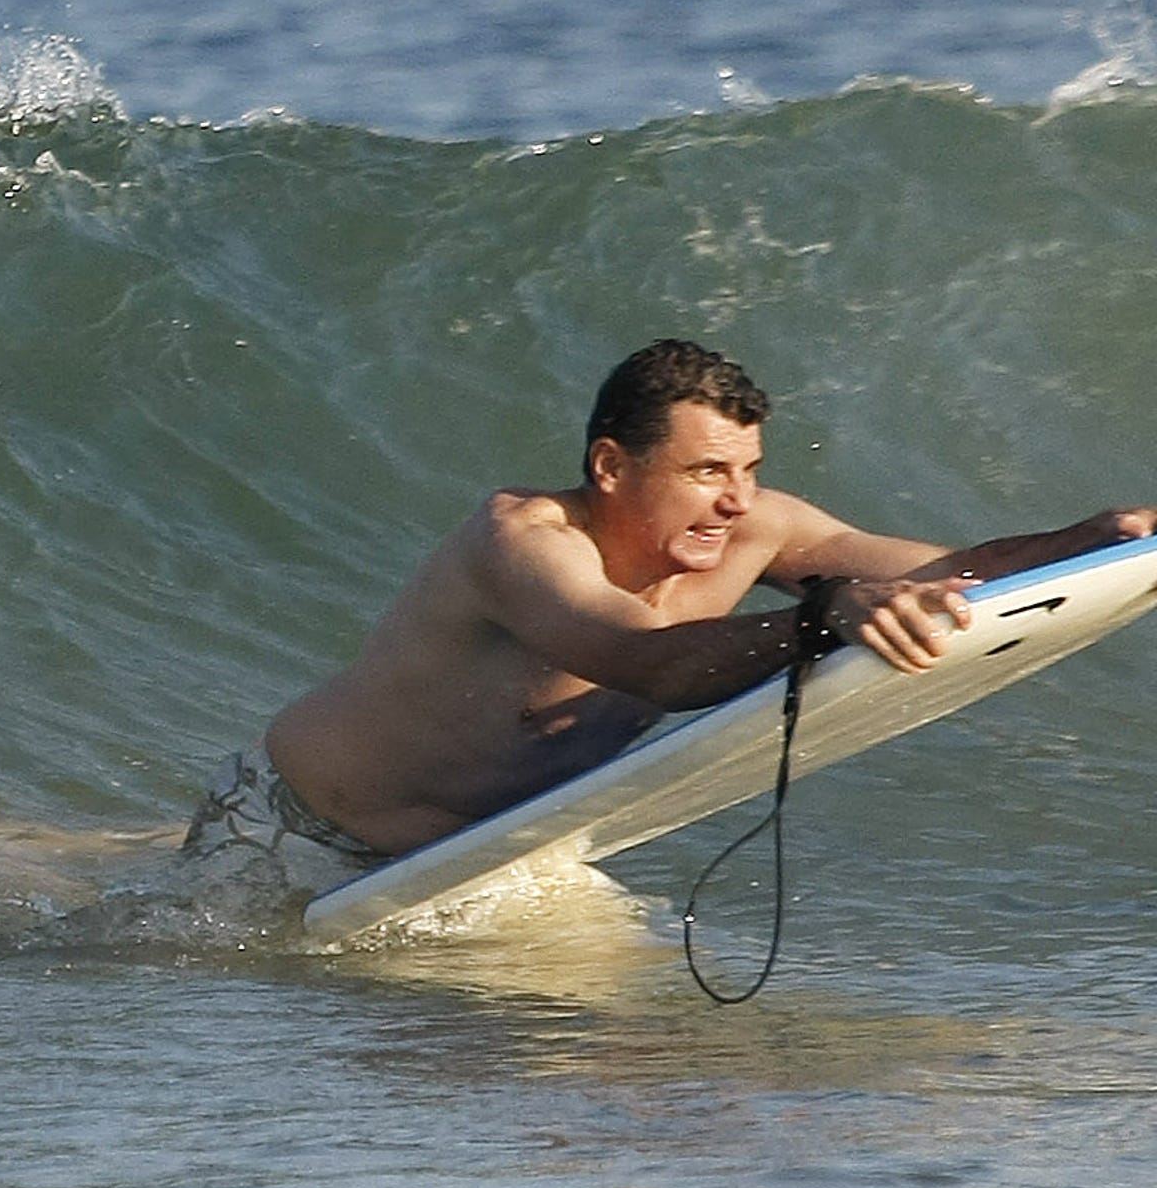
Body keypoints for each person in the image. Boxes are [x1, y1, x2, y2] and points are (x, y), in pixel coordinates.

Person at [194, 338, 1155, 898]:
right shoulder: (521, 543)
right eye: (706, 473)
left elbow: (954, 576)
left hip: (489, 859)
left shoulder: (755, 528)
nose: (738, 502)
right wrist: (825, 616)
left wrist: (1091, 539)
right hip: (297, 838)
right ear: (612, 467)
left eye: (749, 470)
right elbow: (643, 661)